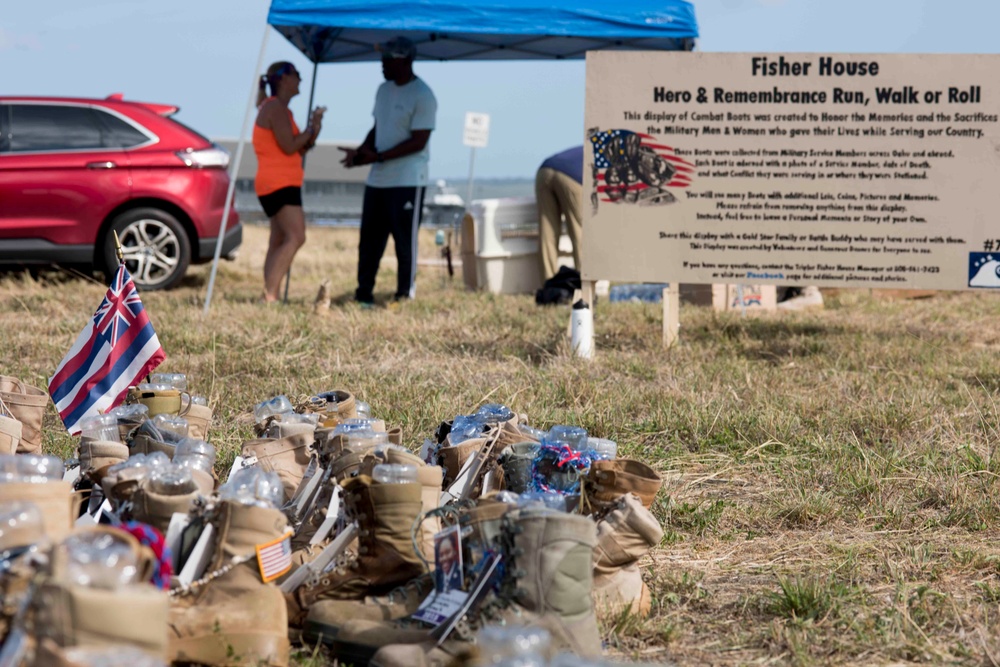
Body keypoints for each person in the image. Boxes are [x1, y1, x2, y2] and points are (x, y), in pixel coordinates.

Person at [340, 36, 437, 305]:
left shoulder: (423, 95)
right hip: (378, 180)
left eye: (386, 59)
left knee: (404, 242)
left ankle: (404, 295)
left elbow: (419, 142)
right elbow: (377, 128)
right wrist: (360, 154)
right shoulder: (383, 90)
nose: (381, 64)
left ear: (404, 60)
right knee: (369, 242)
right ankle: (364, 295)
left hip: (408, 180)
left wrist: (378, 156)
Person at [253, 61, 325, 302]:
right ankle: (270, 295)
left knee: (279, 239)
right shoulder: (275, 109)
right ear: (283, 79)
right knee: (296, 236)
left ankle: (268, 292)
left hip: (278, 182)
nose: (300, 80)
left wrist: (314, 129)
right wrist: (310, 127)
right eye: (297, 75)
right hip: (279, 184)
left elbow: (298, 149)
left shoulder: (277, 109)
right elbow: (289, 145)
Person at [535, 146, 584, 282]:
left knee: (547, 232)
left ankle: (549, 284)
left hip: (544, 170)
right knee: (580, 232)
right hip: (572, 176)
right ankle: (585, 286)